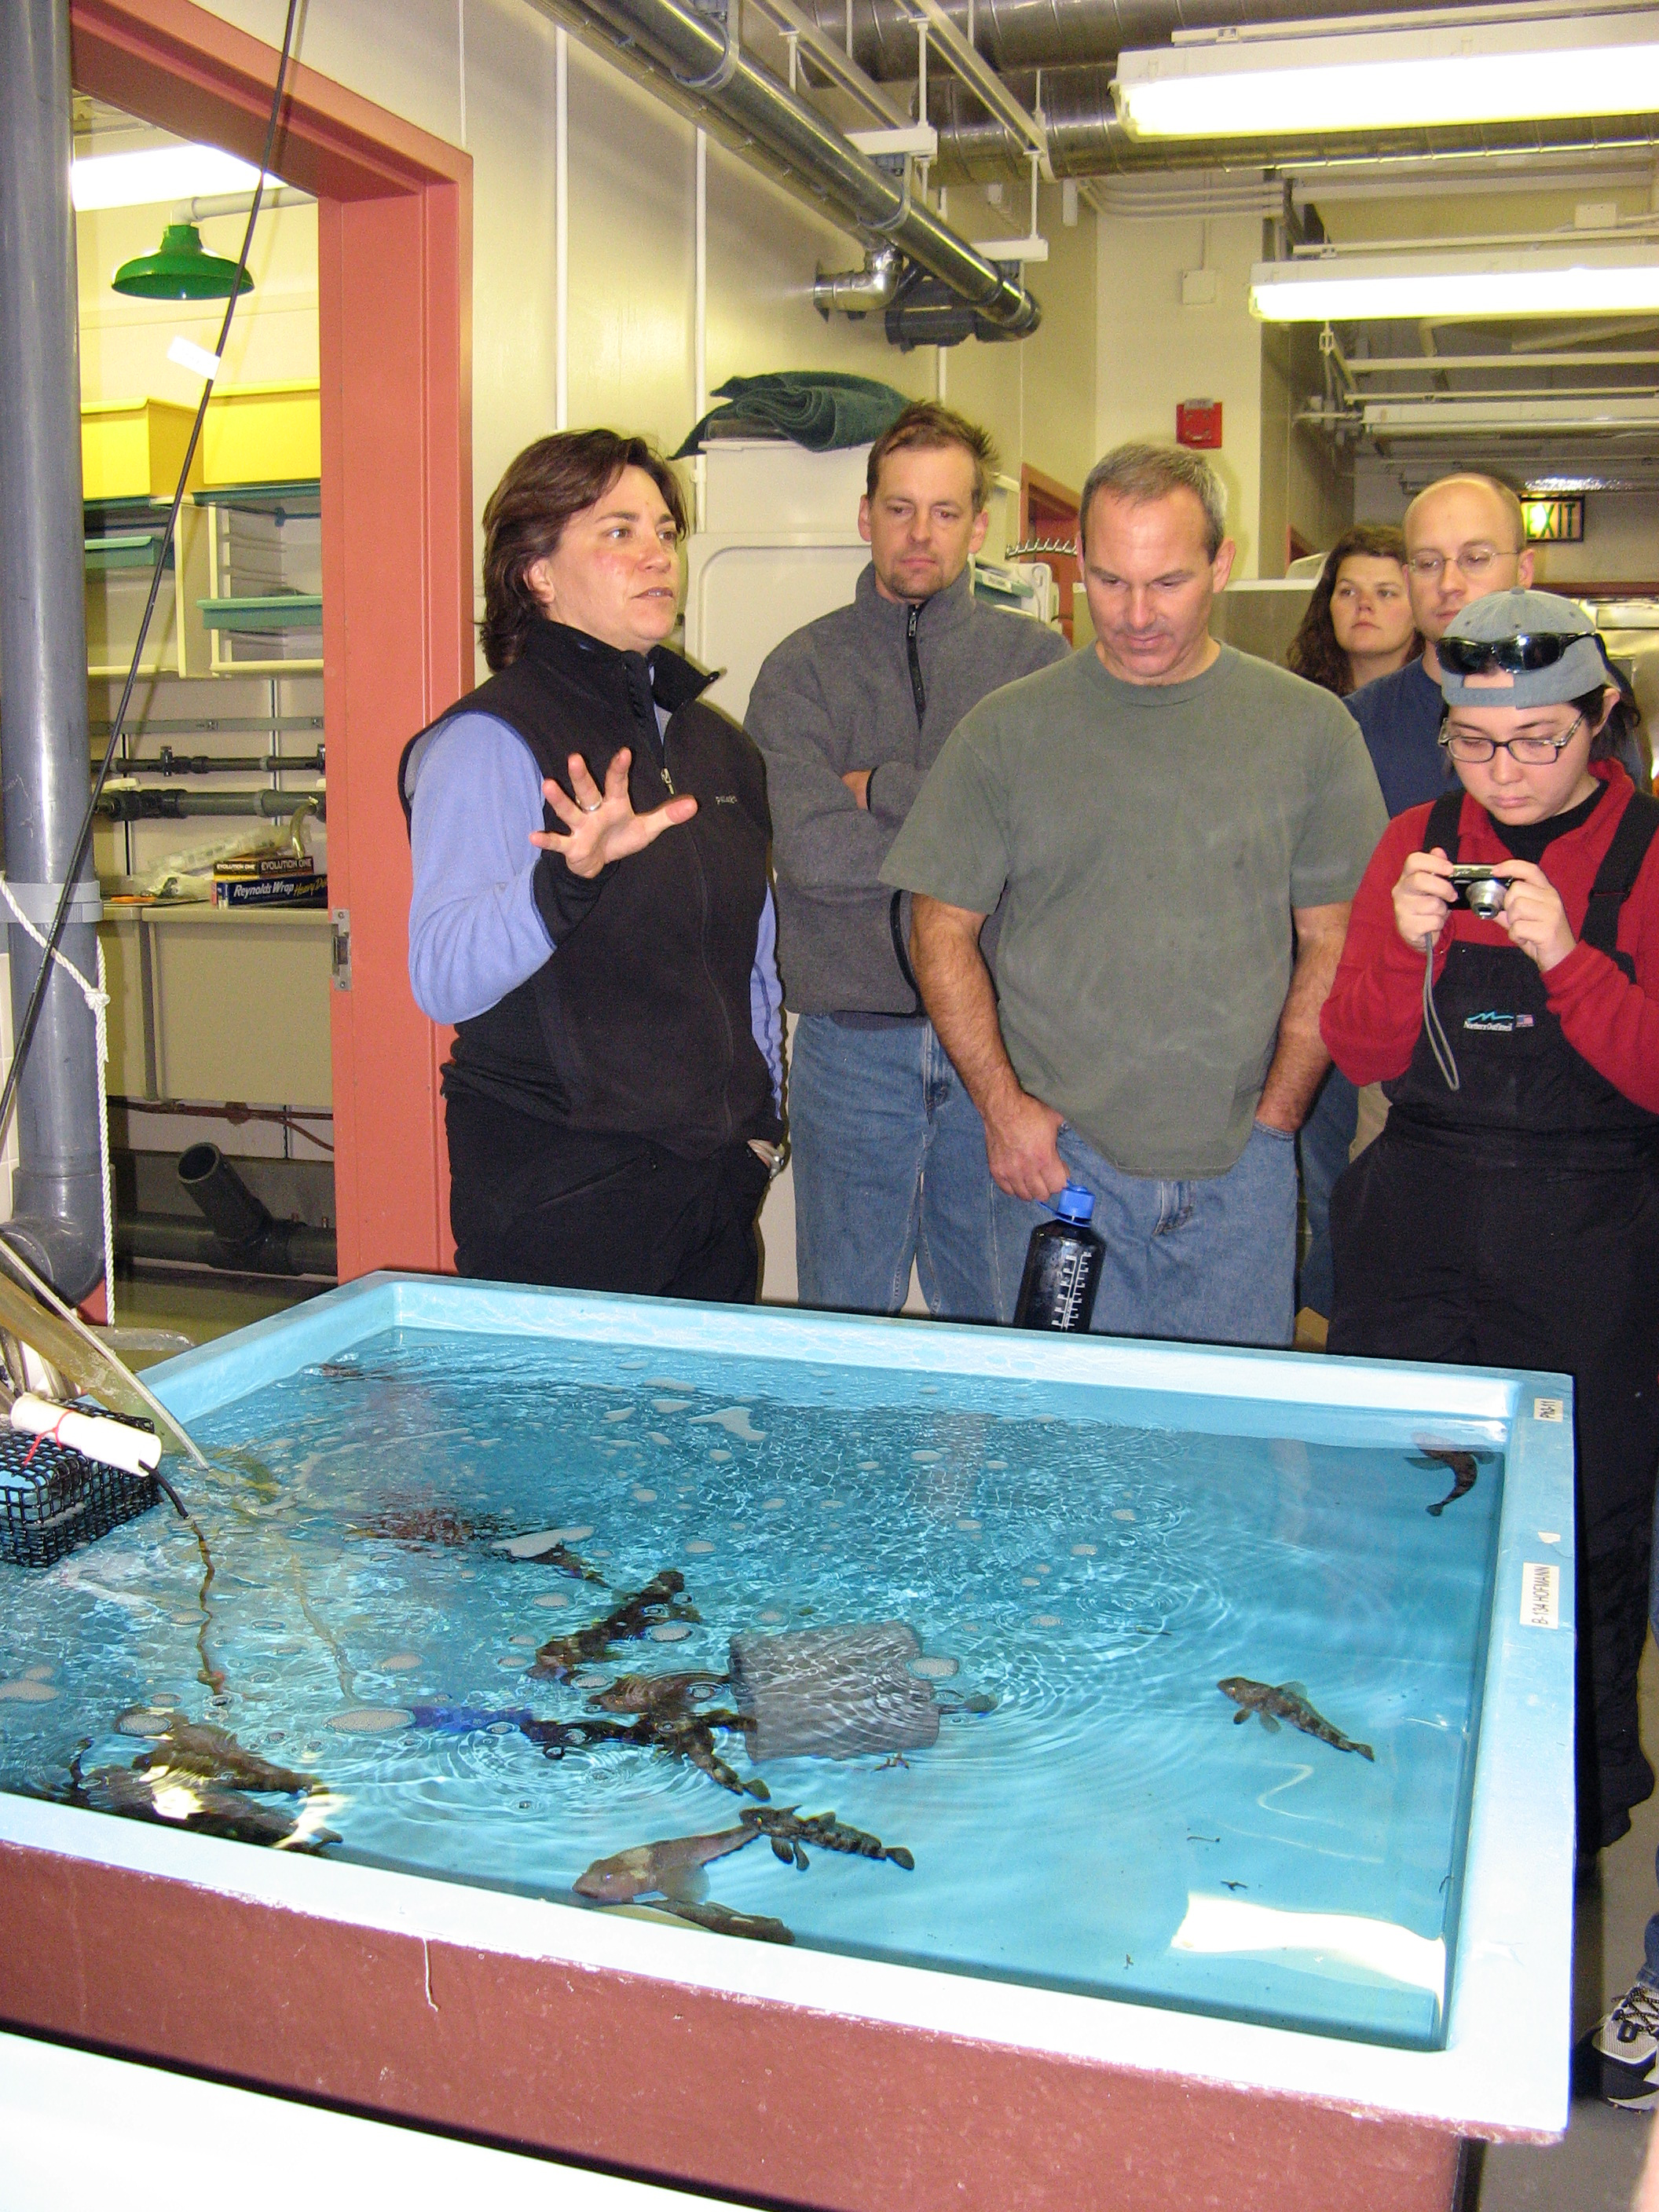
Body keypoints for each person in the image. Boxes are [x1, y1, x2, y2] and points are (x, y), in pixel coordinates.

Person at [881, 441, 1386, 1348]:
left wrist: (1276, 1121)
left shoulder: (1309, 729)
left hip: (1242, 1170)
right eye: (1111, 581)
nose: (1138, 615)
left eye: (1169, 582)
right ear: (1078, 563)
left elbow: (1334, 939)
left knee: (1224, 1450)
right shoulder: (1009, 730)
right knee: (1067, 1450)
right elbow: (939, 925)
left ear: (1222, 565)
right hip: (1062, 1170)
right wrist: (1002, 1107)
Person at [1321, 588, 1659, 1877]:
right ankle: (1411, 1805)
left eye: (1535, 742)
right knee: (1407, 1527)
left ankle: (1562, 1836)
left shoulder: (1642, 850)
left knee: (1577, 1548)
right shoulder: (1413, 838)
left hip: (1589, 1237)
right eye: (1472, 740)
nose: (1502, 772)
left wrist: (1569, 960)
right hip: (1419, 1221)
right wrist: (1398, 948)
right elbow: (1357, 1050)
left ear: (1600, 719)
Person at [399, 428, 784, 1299]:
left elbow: (753, 961)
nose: (656, 553)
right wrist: (563, 886)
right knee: (558, 1443)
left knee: (701, 1440)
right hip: (559, 1189)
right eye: (618, 531)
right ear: (536, 571)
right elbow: (441, 977)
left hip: (713, 1185)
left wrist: (760, 1127)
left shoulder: (716, 746)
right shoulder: (488, 740)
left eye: (665, 531)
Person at [745, 401, 1068, 1318]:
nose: (920, 533)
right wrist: (972, 835)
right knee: (844, 1321)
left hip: (1000, 1055)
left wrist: (880, 783)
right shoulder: (801, 669)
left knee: (998, 1318)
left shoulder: (1034, 666)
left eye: (945, 510)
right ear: (864, 515)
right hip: (851, 1049)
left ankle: (983, 1473)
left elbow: (1041, 840)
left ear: (979, 521)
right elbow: (807, 851)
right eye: (899, 508)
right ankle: (848, 1472)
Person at [1287, 526, 1418, 1323]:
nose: (1362, 607)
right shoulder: (1298, 712)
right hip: (1317, 973)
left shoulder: (1449, 724)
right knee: (1325, 1168)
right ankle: (1336, 1327)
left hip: (1402, 976)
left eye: (1384, 591)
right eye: (1347, 590)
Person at [1286, 524, 1417, 698]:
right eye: (1348, 592)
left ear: (1418, 609)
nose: (1364, 603)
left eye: (1385, 593)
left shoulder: (1447, 706)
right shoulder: (1296, 701)